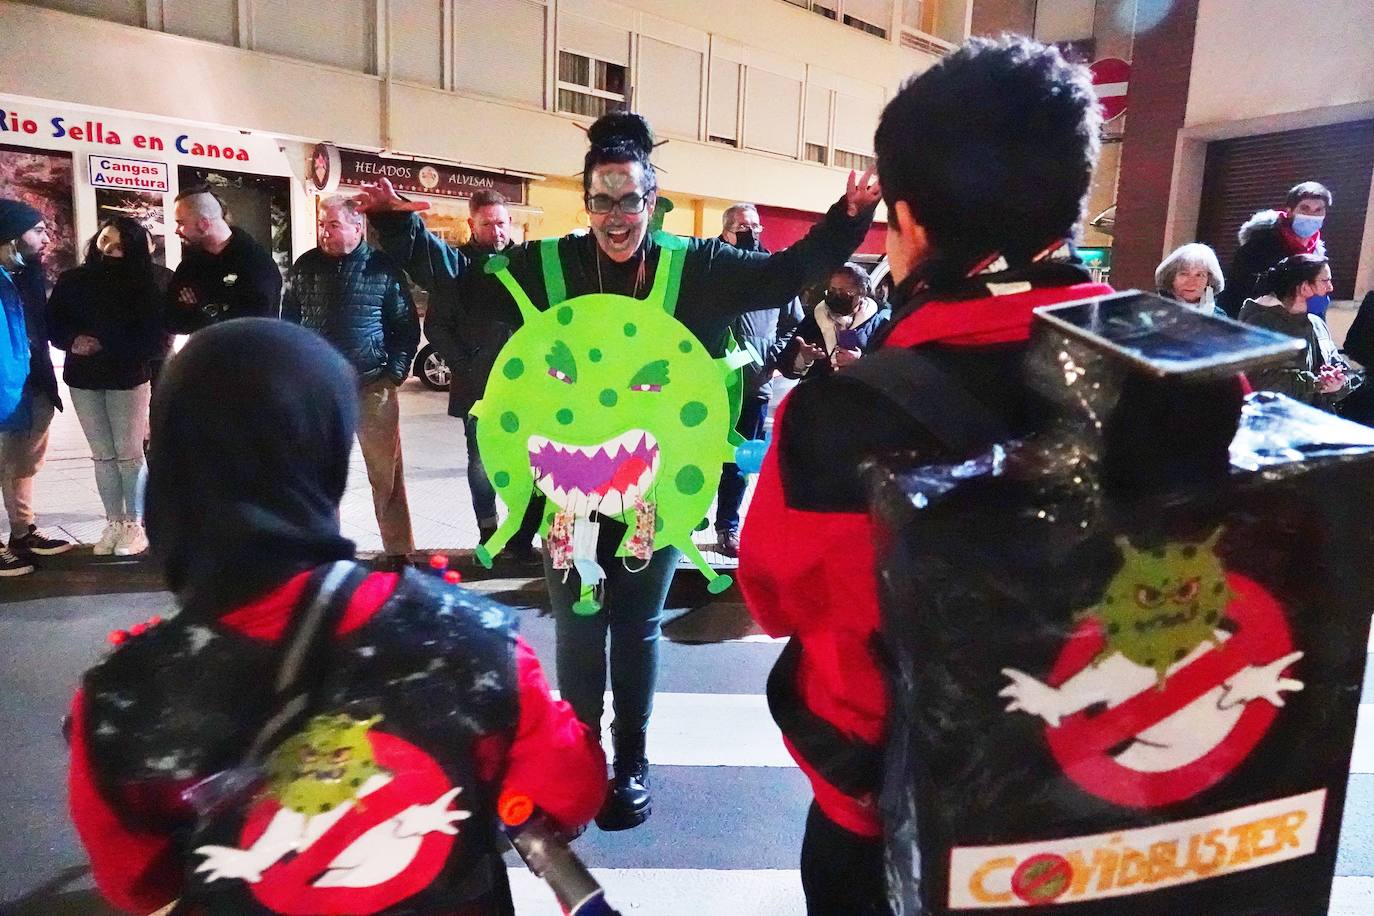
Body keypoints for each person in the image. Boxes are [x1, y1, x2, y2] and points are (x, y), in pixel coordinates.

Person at [358, 111, 878, 832]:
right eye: (601, 201)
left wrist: (849, 221)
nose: (615, 216)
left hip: (658, 484)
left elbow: (782, 277)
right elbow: (468, 286)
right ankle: (582, 756)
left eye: (629, 199)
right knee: (577, 625)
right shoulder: (554, 267)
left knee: (633, 625)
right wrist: (399, 229)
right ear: (587, 203)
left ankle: (630, 760)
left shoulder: (695, 266)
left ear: (652, 196)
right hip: (566, 484)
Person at [739, 36, 1112, 914]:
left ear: (908, 224)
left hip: (894, 818)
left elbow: (776, 598)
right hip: (1121, 811)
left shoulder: (837, 420)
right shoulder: (1195, 379)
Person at [67, 319, 606, 915]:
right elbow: (568, 792)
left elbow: (137, 884)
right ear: (325, 449)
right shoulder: (467, 639)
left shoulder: (125, 694)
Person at [282, 196, 419, 566]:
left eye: (334, 225)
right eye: (322, 225)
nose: (325, 232)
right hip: (320, 389)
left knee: (385, 472)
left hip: (373, 385)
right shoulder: (304, 267)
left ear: (357, 228)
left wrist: (395, 372)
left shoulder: (382, 268)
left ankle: (398, 550)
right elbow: (290, 325)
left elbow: (405, 325)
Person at [422, 189, 544, 563]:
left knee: (535, 464)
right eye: (488, 223)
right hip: (478, 386)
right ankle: (488, 533)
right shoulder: (456, 268)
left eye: (502, 222)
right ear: (472, 224)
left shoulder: (526, 264)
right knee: (482, 464)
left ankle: (522, 537)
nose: (497, 231)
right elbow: (436, 327)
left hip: (529, 388)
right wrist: (467, 363)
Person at [47, 217, 170, 556]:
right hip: (83, 378)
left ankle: (134, 523)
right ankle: (113, 521)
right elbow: (54, 322)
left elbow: (154, 338)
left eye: (119, 245)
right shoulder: (73, 279)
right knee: (102, 455)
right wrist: (72, 341)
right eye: (105, 241)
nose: (110, 249)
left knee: (129, 455)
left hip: (128, 377)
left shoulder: (147, 283)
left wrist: (105, 344)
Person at [713, 203, 803, 558]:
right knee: (699, 455)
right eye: (740, 226)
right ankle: (687, 520)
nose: (749, 232)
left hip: (753, 384)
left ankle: (727, 527)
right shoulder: (710, 266)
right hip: (709, 383)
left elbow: (793, 320)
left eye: (754, 226)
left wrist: (773, 356)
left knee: (738, 461)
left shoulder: (774, 273)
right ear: (725, 230)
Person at [0, 198, 71, 575]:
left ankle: (22, 531)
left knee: (23, 463)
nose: (46, 237)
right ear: (12, 236)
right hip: (4, 387)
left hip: (33, 383)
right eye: (37, 230)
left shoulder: (25, 274)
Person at [1238, 254, 1355, 409]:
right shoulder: (1262, 323)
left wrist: (1338, 382)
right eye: (1325, 281)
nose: (1330, 288)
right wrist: (1315, 383)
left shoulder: (1317, 323)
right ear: (1303, 286)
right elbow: (1261, 382)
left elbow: (1338, 366)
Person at [167, 185, 282, 333]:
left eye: (180, 223)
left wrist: (199, 309)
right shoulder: (189, 266)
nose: (176, 230)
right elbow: (172, 321)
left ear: (203, 224)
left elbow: (252, 326)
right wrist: (214, 311)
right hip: (203, 353)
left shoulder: (256, 263)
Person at [1217, 181, 1332, 319]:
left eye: (1318, 210)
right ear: (1289, 211)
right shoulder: (1259, 245)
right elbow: (1236, 294)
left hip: (1299, 330)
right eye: (1304, 208)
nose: (1311, 216)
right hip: (1256, 328)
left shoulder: (1316, 255)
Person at [779, 262, 891, 382]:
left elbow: (889, 369)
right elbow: (786, 367)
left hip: (859, 396)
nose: (837, 295)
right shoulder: (813, 321)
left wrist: (860, 361)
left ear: (862, 292)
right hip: (818, 395)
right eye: (833, 290)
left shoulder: (878, 324)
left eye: (846, 291)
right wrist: (803, 358)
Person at [1155, 242, 1226, 316]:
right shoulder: (1153, 311)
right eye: (1184, 274)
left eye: (1199, 275)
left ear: (1209, 281)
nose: (1191, 282)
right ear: (1171, 277)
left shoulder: (1220, 316)